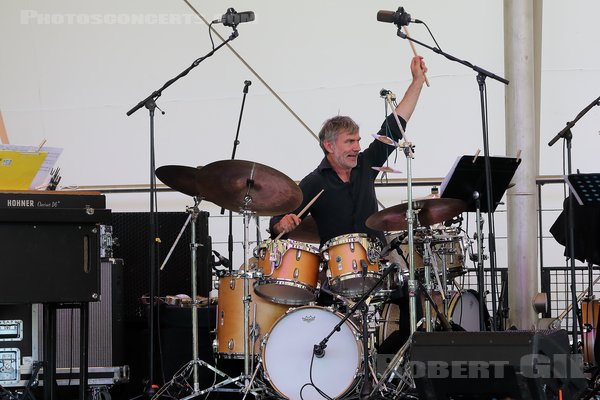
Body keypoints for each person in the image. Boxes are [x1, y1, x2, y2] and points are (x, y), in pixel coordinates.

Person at [269, 55, 427, 246]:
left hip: (377, 264)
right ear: (329, 146)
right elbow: (278, 222)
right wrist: (281, 224)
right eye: (350, 141)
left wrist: (417, 81)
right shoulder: (315, 181)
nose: (357, 147)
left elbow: (394, 127)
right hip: (336, 268)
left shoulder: (366, 164)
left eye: (358, 140)